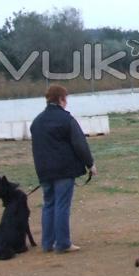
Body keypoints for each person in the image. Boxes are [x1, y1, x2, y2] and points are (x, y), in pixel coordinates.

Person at [30, 84, 97, 254]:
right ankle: (63, 243)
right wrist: (90, 164)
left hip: (44, 170)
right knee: (62, 206)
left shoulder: (37, 121)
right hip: (64, 170)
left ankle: (47, 243)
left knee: (48, 205)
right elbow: (80, 143)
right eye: (65, 99)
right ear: (61, 99)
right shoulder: (67, 119)